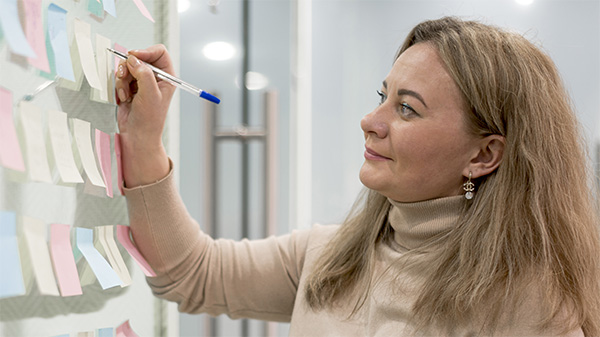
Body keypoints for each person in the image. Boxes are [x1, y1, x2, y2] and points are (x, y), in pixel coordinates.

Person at [115, 17, 600, 336]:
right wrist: (143, 139)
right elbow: (191, 275)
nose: (371, 120)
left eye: (407, 109)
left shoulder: (534, 306)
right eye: (382, 95)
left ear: (484, 155)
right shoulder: (329, 256)